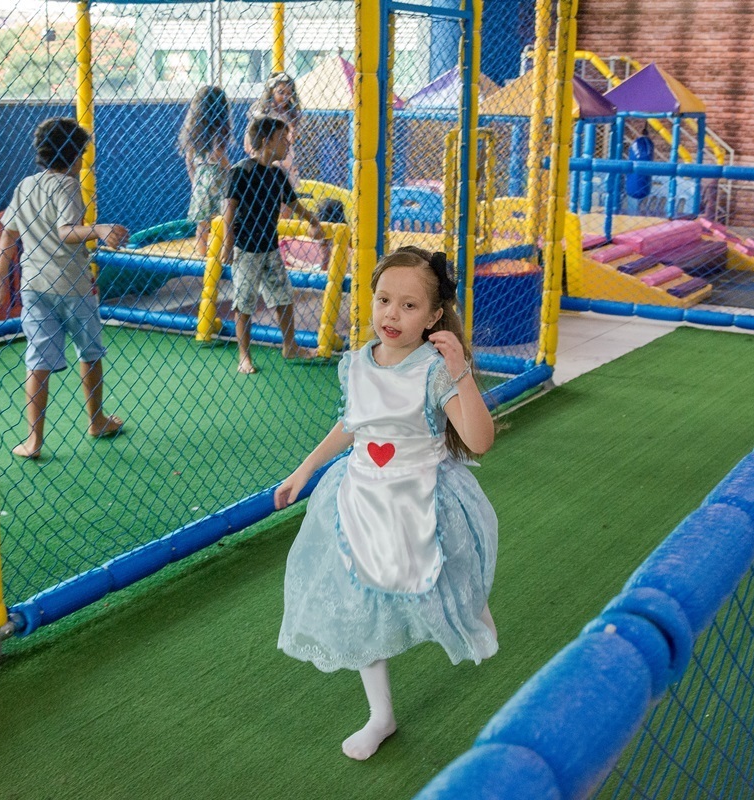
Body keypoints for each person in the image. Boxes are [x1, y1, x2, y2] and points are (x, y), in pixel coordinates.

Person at [274, 246, 498, 761]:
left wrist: (460, 370)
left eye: (409, 306)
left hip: (420, 494)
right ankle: (381, 715)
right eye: (383, 300)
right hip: (360, 499)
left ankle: (470, 603)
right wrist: (304, 470)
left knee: (442, 568)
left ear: (434, 317)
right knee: (359, 606)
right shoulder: (356, 363)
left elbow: (479, 441)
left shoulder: (433, 371)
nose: (392, 314)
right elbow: (354, 425)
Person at [0, 117, 128, 459]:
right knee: (90, 352)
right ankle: (96, 420)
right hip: (72, 286)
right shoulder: (67, 186)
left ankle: (33, 440)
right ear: (75, 155)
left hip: (34, 287)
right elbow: (66, 231)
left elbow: (8, 233)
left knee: (37, 360)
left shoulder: (25, 186)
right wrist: (99, 229)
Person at [221, 116, 322, 375]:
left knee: (283, 296)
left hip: (270, 247)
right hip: (246, 249)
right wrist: (227, 243)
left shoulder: (277, 175)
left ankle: (290, 346)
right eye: (282, 139)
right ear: (266, 142)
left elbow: (294, 204)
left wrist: (313, 221)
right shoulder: (241, 171)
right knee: (244, 302)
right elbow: (229, 209)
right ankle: (244, 356)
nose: (288, 144)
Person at [178, 85, 231, 257]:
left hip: (201, 177)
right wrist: (231, 170)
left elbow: (189, 159)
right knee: (224, 218)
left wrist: (195, 181)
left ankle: (201, 254)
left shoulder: (194, 131)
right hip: (217, 175)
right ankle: (223, 253)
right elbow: (218, 154)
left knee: (202, 224)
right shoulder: (219, 128)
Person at [247, 71, 302, 187]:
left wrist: (292, 130)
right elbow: (249, 141)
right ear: (271, 91)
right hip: (266, 158)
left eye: (289, 93)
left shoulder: (289, 114)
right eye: (281, 92)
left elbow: (290, 141)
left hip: (285, 159)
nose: (285, 97)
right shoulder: (262, 112)